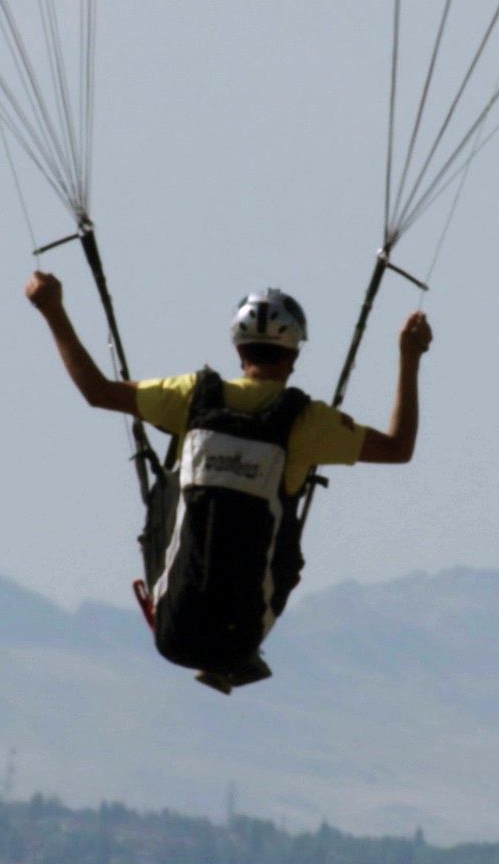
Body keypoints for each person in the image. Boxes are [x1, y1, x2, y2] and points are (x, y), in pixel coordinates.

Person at [24, 270, 432, 693]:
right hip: (240, 638)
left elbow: (98, 392)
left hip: (173, 630)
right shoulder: (309, 424)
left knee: (169, 482)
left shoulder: (190, 397)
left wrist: (51, 310)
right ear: (293, 356)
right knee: (285, 534)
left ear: (239, 351)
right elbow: (398, 448)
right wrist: (409, 356)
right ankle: (231, 658)